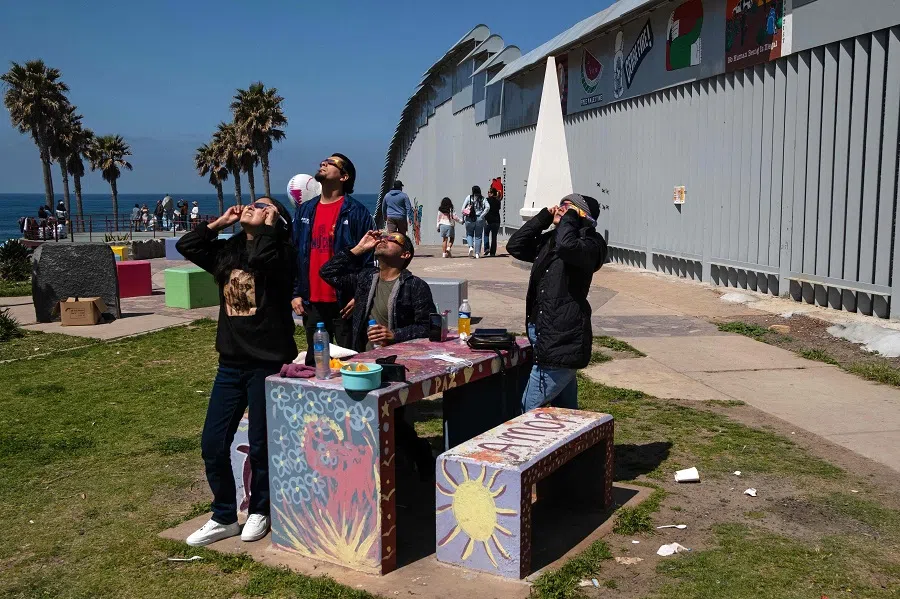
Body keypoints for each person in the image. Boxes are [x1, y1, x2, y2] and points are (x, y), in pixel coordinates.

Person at [176, 197, 297, 547]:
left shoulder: (282, 253)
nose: (250, 206)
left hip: (267, 363)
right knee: (212, 443)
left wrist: (270, 230)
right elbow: (188, 244)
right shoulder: (227, 251)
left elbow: (261, 259)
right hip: (230, 363)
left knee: (260, 444)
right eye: (251, 203)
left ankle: (261, 509)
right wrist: (217, 225)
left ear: (275, 219)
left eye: (262, 205)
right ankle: (223, 515)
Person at [320, 229, 436, 477]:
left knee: (392, 419)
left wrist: (395, 335)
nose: (384, 239)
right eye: (384, 237)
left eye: (393, 239)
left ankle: (414, 458)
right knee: (360, 416)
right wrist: (359, 248)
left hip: (396, 363)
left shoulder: (415, 286)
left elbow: (429, 326)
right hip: (362, 361)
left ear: (405, 254)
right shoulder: (365, 279)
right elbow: (328, 272)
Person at [506, 193, 607, 412]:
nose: (561, 208)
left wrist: (569, 218)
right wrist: (542, 219)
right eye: (561, 205)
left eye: (569, 207)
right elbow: (515, 246)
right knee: (566, 411)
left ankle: (531, 446)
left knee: (529, 408)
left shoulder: (592, 244)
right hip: (542, 329)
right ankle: (575, 446)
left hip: (562, 335)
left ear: (582, 216)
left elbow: (568, 247)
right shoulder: (551, 240)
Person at [292, 153, 373, 365]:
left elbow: (369, 260)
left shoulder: (357, 213)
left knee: (352, 361)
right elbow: (295, 255)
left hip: (345, 303)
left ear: (344, 177)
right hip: (312, 303)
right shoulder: (305, 211)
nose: (323, 163)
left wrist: (360, 296)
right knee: (316, 362)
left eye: (331, 163)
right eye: (323, 162)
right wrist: (295, 293)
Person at [461, 186, 488, 259]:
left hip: (470, 218)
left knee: (469, 234)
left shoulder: (469, 198)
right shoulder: (483, 199)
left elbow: (462, 209)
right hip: (479, 218)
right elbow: (488, 207)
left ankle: (470, 247)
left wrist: (463, 217)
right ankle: (477, 253)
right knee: (478, 236)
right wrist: (482, 215)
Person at [482, 187, 502, 257]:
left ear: (492, 193)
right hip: (496, 221)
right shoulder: (498, 201)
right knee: (494, 237)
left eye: (489, 192)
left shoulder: (486, 200)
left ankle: (487, 248)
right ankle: (493, 252)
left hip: (488, 220)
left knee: (486, 234)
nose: (488, 193)